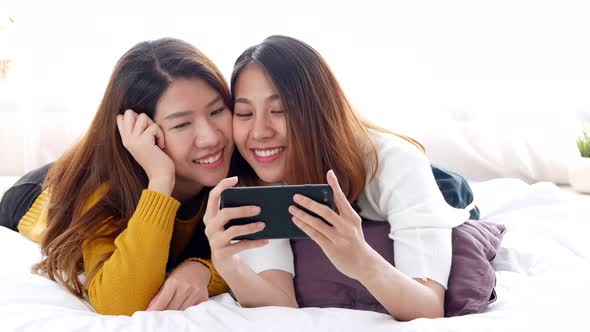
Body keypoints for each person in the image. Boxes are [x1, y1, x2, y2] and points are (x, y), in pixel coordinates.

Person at [203, 35, 470, 320]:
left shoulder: (397, 163)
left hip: (438, 185)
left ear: (317, 111)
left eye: (279, 110)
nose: (259, 132)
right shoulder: (253, 173)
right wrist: (230, 265)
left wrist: (361, 261)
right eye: (245, 113)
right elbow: (279, 304)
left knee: (456, 196)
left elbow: (428, 307)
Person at [0, 38, 234, 316]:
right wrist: (160, 180)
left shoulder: (239, 161)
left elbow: (262, 253)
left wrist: (204, 270)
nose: (211, 137)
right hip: (38, 195)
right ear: (140, 130)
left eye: (217, 110)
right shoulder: (104, 192)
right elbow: (120, 302)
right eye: (182, 123)